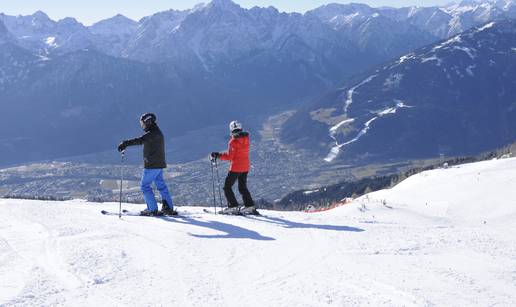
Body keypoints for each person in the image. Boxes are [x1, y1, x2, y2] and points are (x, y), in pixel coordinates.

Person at [117, 113, 177, 216]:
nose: (142, 125)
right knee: (161, 185)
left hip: (152, 165)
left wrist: (125, 143)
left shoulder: (152, 134)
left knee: (144, 186)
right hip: (159, 164)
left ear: (148, 122)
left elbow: (140, 140)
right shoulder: (156, 132)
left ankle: (152, 209)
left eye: (143, 123)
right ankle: (168, 208)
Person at [211, 120, 257, 215]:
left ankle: (233, 206)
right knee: (242, 187)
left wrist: (218, 155)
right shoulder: (246, 138)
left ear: (231, 129)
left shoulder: (233, 141)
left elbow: (229, 157)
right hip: (245, 166)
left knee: (227, 187)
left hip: (236, 167)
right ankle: (250, 206)